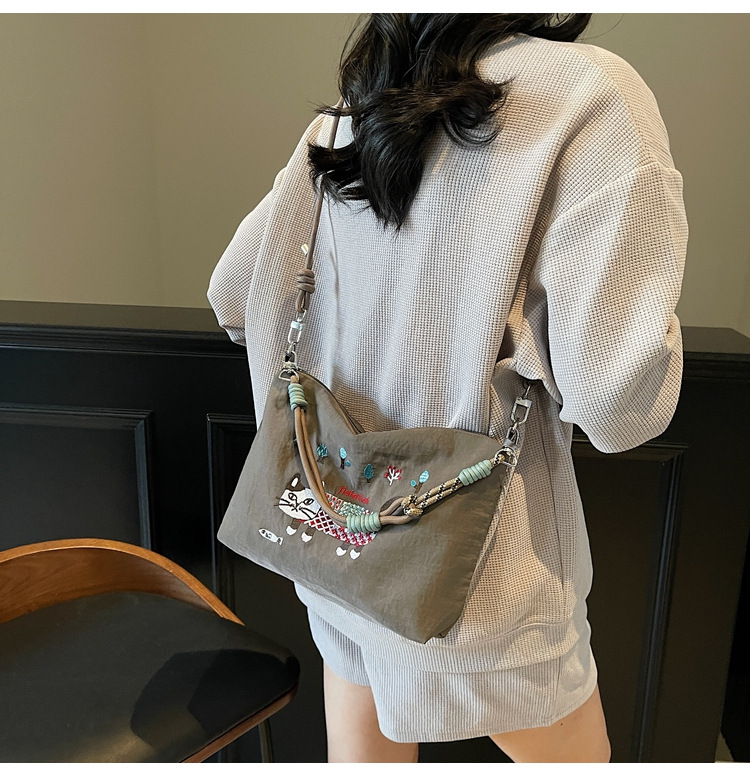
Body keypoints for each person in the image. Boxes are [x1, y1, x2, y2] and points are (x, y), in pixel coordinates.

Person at [207, 13, 687, 763]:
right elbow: (619, 403)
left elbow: (236, 292)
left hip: (336, 539)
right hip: (482, 587)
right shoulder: (591, 96)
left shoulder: (359, 108)